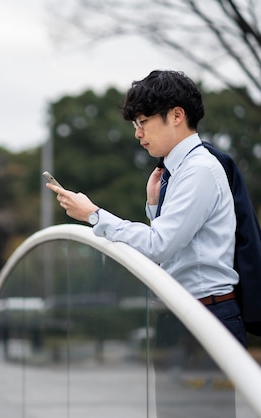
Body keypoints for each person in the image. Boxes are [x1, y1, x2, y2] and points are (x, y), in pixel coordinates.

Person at [46, 70, 247, 348]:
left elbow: (159, 245)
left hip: (205, 312)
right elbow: (173, 248)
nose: (138, 133)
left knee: (198, 394)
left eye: (143, 122)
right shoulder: (179, 169)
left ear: (177, 116)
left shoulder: (198, 169)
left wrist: (93, 214)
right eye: (135, 125)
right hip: (190, 310)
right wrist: (154, 206)